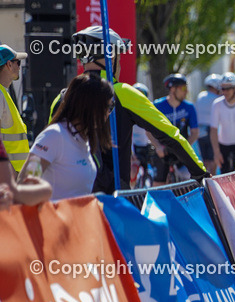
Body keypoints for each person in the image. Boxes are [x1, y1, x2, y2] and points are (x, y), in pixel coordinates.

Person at [54, 26, 207, 194]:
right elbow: (170, 134)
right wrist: (200, 174)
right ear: (111, 57)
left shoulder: (62, 98)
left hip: (69, 198)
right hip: (112, 199)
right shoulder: (122, 93)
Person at [22, 74, 114, 200]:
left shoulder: (83, 139)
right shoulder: (55, 135)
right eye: (108, 107)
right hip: (52, 218)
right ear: (90, 106)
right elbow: (25, 183)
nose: (108, 113)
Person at [154, 73, 200, 186]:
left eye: (186, 88)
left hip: (182, 148)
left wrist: (185, 146)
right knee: (159, 182)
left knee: (192, 180)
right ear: (173, 89)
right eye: (183, 88)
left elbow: (195, 132)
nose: (186, 91)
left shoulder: (189, 107)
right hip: (163, 149)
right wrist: (157, 146)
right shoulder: (158, 106)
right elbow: (149, 131)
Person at [0, 44, 30, 172]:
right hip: (9, 174)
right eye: (17, 62)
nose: (19, 66)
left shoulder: (4, 93)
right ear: (8, 64)